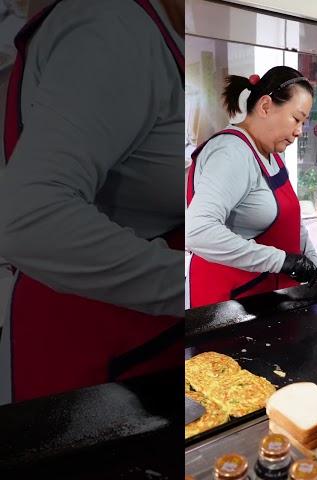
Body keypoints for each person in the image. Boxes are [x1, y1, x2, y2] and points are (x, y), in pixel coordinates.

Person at [0, 0, 185, 404]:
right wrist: (192, 282)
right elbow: (29, 222)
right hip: (83, 331)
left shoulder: (165, 32)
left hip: (144, 334)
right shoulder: (113, 29)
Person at [185, 66, 317, 308]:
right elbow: (197, 231)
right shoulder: (232, 153)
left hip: (264, 297)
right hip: (227, 303)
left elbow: (292, 224)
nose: (300, 131)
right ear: (265, 106)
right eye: (296, 118)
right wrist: (282, 261)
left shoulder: (270, 154)